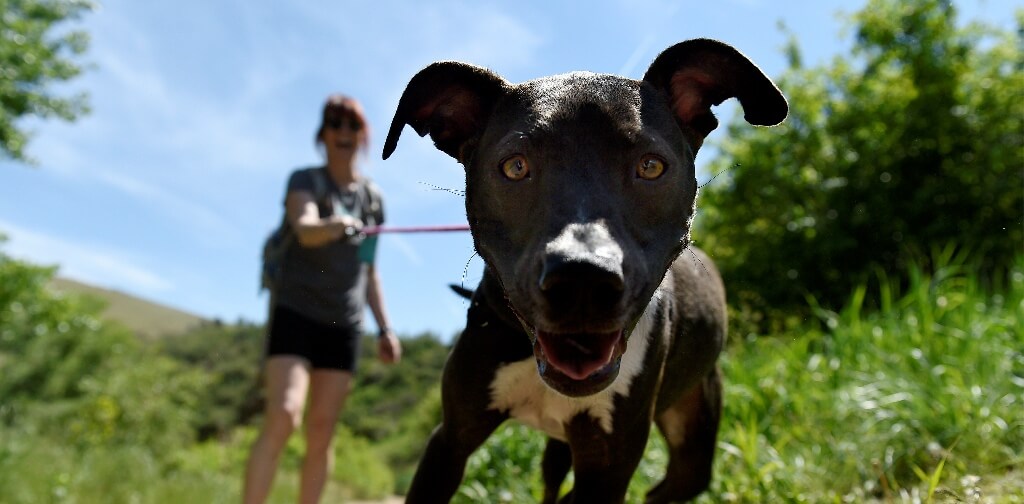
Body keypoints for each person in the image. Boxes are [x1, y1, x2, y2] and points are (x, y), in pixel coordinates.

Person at [243, 95, 402, 504]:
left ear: (362, 135)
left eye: (352, 125)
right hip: (295, 313)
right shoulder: (304, 180)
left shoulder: (373, 200)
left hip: (343, 324)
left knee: (322, 431)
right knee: (283, 415)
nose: (344, 133)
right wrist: (336, 225)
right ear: (323, 134)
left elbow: (369, 271)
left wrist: (385, 328)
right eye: (335, 124)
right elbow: (305, 227)